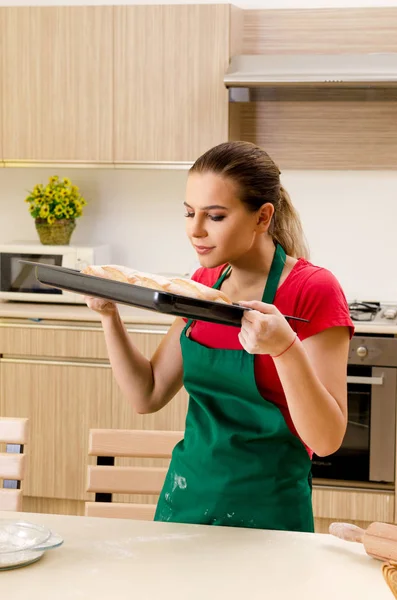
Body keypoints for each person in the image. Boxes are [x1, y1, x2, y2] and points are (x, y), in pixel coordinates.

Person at [85, 141, 354, 533]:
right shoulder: (202, 284)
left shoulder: (313, 289)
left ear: (262, 217)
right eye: (190, 213)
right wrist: (109, 315)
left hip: (268, 513)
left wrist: (285, 349)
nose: (195, 230)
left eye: (215, 216)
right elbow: (148, 393)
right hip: (186, 498)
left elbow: (327, 439)